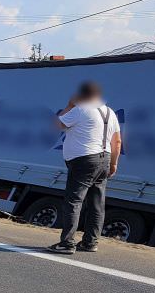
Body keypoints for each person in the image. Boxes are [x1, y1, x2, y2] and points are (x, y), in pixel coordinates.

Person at [47, 81, 121, 254]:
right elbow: (117, 141)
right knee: (97, 203)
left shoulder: (80, 110)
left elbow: (58, 125)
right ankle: (90, 242)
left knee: (74, 200)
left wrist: (69, 104)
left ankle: (67, 243)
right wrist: (113, 163)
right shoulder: (110, 113)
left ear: (82, 95)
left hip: (84, 160)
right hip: (105, 158)